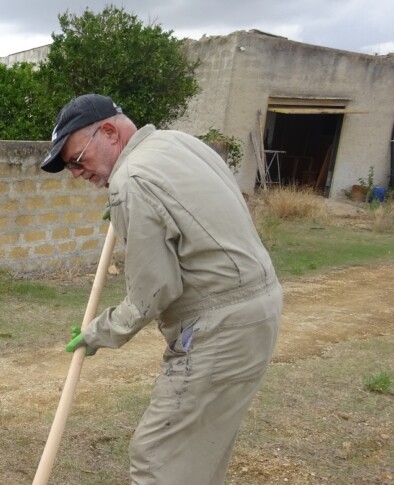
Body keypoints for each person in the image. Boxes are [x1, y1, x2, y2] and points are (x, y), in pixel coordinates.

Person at [41, 94, 282, 484]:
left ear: (108, 132)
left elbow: (153, 292)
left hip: (219, 328)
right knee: (199, 456)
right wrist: (131, 210)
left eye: (76, 160)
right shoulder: (177, 144)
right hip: (259, 312)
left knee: (159, 458)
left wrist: (96, 333)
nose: (76, 174)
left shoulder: (131, 180)